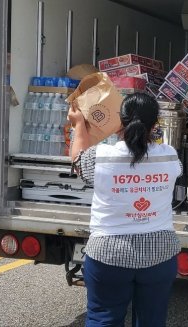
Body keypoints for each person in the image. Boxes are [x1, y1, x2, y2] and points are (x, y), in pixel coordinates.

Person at [69, 93, 181, 326]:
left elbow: (77, 161)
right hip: (159, 255)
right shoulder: (170, 155)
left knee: (103, 318)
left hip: (108, 255)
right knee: (152, 320)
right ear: (156, 124)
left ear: (120, 120)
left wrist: (79, 125)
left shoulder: (101, 156)